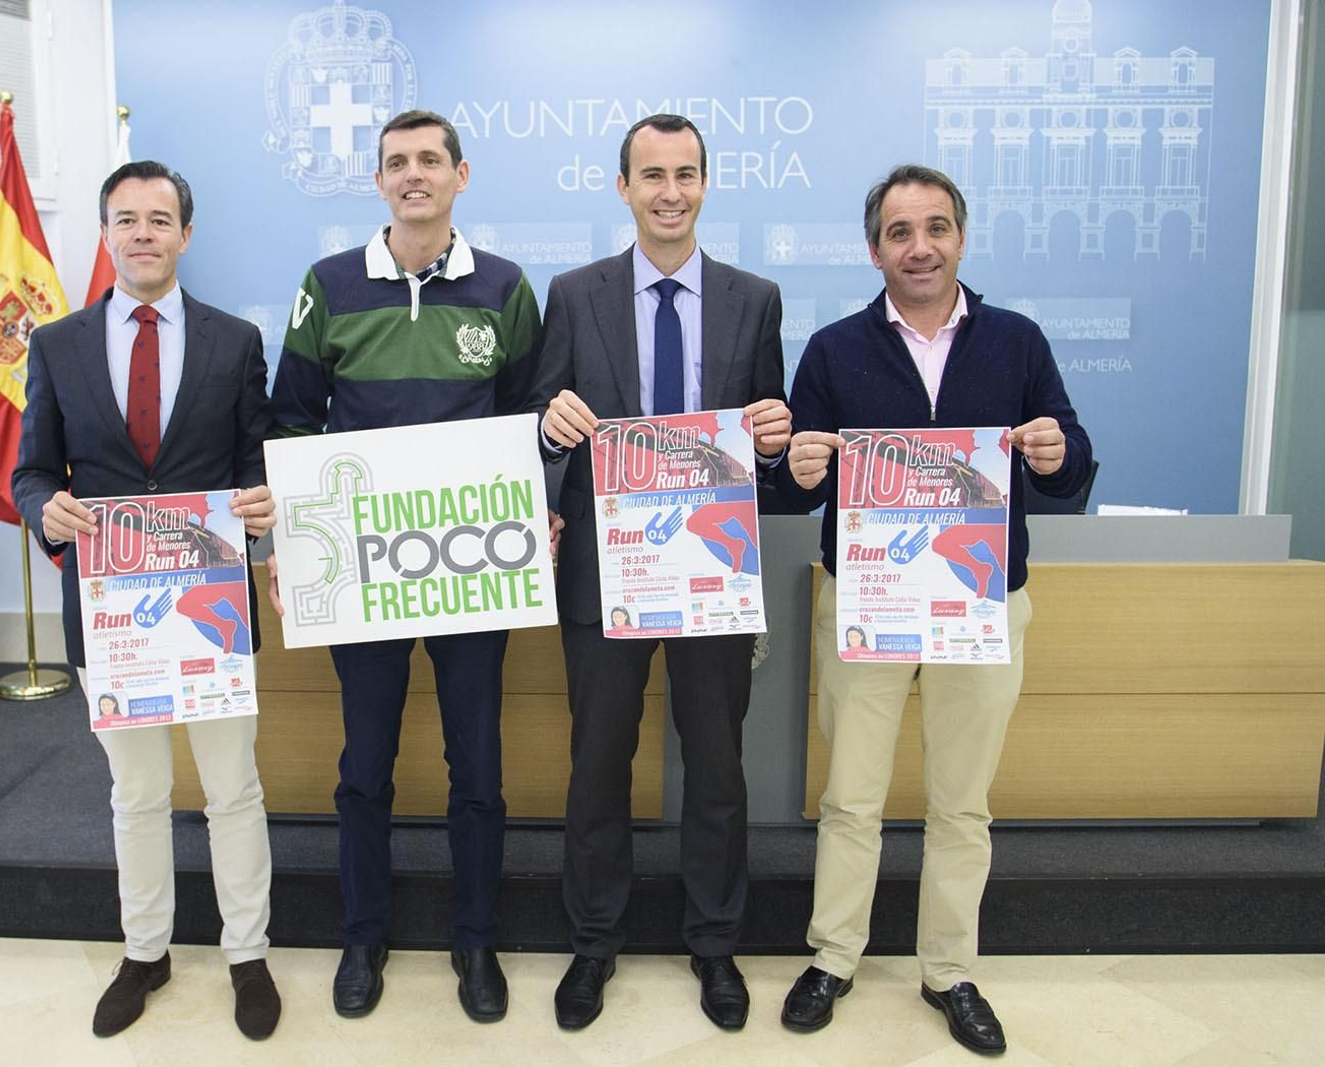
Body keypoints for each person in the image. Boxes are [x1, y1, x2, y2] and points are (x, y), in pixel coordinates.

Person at [776, 164, 1092, 1055]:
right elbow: (799, 483)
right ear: (873, 247)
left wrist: (1054, 451)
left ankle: (950, 970)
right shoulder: (835, 348)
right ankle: (834, 956)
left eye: (937, 228)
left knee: (962, 802)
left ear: (962, 237)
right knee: (851, 796)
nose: (920, 246)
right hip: (868, 604)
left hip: (979, 605)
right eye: (901, 232)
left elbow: (1071, 474)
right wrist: (797, 471)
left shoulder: (1018, 340)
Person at [268, 110, 543, 1023]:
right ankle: (364, 934)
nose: (414, 174)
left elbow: (536, 420)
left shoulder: (505, 286)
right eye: (397, 163)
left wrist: (536, 505)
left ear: (462, 175)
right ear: (378, 180)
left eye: (431, 160)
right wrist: (288, 544)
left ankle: (476, 941)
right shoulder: (329, 285)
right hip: (361, 568)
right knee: (365, 761)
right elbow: (294, 421)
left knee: (479, 765)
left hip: (470, 563)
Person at [529, 113, 791, 1032]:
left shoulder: (755, 298)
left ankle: (714, 943)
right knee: (598, 764)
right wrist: (546, 430)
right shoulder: (573, 293)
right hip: (608, 571)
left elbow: (768, 445)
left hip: (714, 572)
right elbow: (539, 426)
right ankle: (594, 941)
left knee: (717, 766)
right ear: (623, 187)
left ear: (706, 184)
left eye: (685, 173)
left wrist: (774, 439)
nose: (669, 190)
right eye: (652, 174)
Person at [11, 160, 282, 1041]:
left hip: (209, 606)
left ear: (186, 234)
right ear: (104, 234)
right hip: (111, 609)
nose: (142, 233)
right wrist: (42, 507)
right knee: (137, 792)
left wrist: (262, 500)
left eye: (158, 219)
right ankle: (146, 950)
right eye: (124, 219)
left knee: (232, 788)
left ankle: (248, 952)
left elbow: (255, 461)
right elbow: (32, 470)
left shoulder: (235, 341)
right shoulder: (54, 344)